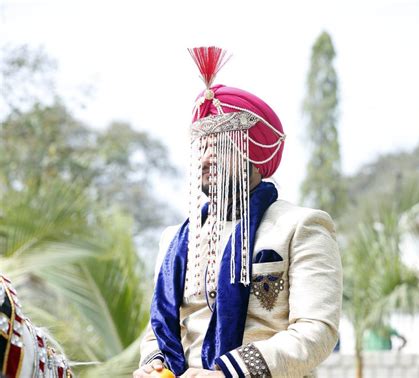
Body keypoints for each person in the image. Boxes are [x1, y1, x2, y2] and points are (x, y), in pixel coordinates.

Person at [134, 47, 342, 378]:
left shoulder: (300, 226)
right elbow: (156, 332)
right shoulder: (172, 239)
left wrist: (230, 373)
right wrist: (152, 364)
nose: (204, 158)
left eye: (218, 146)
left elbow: (317, 332)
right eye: (201, 147)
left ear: (255, 154)